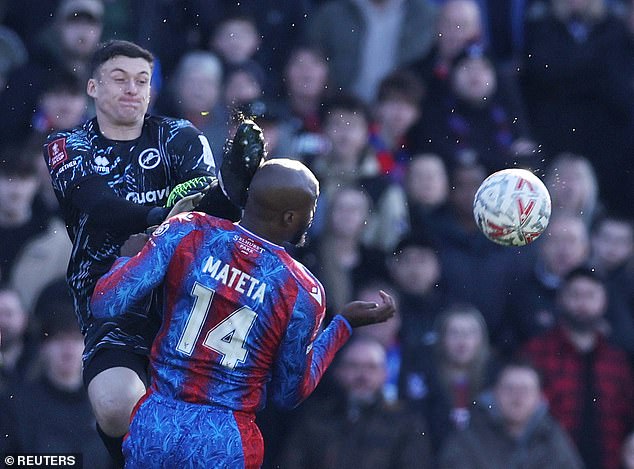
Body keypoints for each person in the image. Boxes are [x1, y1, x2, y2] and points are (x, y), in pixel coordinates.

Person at [90, 158, 396, 467]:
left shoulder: (188, 229)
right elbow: (289, 392)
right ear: (290, 217)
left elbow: (107, 303)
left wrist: (124, 260)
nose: (313, 216)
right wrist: (342, 325)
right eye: (311, 208)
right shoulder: (302, 290)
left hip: (158, 421)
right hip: (225, 439)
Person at [43, 39, 265, 465]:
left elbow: (210, 211)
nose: (132, 89)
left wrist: (233, 189)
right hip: (112, 300)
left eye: (141, 81)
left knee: (206, 432)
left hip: (189, 299)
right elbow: (101, 209)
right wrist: (167, 214)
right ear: (92, 87)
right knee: (115, 405)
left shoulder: (180, 136)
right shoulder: (67, 144)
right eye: (119, 79)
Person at [522, 267, 634, 469]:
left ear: (604, 301)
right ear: (560, 300)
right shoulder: (536, 354)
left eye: (590, 295)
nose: (582, 303)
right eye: (575, 295)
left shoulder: (617, 360)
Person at [278, 336, 432, 469]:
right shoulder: (315, 418)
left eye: (371, 367)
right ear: (338, 372)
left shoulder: (406, 422)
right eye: (353, 366)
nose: (362, 376)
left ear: (384, 374)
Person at [437, 359, 584, 469]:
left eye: (525, 390)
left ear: (539, 397)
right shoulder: (469, 439)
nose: (517, 397)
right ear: (495, 393)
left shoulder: (553, 438)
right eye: (510, 388)